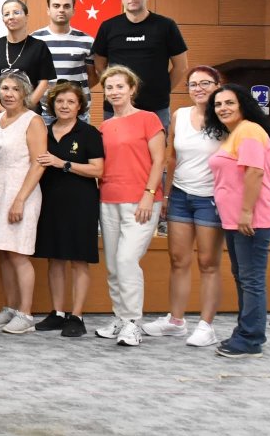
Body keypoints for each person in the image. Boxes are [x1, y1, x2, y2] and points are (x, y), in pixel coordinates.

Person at [152, 65, 229, 347]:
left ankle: (206, 326)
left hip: (211, 198)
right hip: (181, 196)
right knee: (178, 260)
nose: (198, 89)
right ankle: (176, 321)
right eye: (193, 84)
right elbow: (172, 157)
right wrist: (167, 195)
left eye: (205, 83)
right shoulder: (180, 115)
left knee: (208, 263)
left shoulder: (226, 117)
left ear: (218, 85)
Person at [95, 65, 167, 348]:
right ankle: (119, 317)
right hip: (109, 200)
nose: (114, 92)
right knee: (114, 265)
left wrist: (149, 194)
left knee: (127, 260)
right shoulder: (104, 126)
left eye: (120, 86)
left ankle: (132, 322)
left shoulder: (149, 119)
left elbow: (159, 160)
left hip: (141, 202)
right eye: (109, 87)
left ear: (132, 89)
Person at [206, 83, 270, 360]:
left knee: (251, 281)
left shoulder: (249, 130)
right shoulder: (235, 133)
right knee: (245, 279)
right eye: (218, 104)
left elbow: (254, 173)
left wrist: (246, 212)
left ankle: (251, 339)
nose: (222, 108)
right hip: (235, 221)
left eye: (229, 103)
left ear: (243, 105)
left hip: (252, 220)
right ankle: (245, 332)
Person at [31, 80, 102, 339]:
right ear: (52, 104)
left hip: (81, 202)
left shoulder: (88, 133)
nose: (64, 106)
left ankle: (77, 316)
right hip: (50, 201)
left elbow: (98, 169)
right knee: (55, 258)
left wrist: (64, 164)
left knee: (78, 259)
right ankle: (58, 313)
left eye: (71, 101)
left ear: (79, 106)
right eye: (60, 101)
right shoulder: (44, 131)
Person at [0, 71, 48, 334]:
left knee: (18, 254)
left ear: (25, 93)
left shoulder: (33, 121)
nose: (8, 94)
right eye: (5, 88)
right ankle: (9, 308)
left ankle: (25, 313)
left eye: (15, 89)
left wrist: (20, 199)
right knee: (3, 252)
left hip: (22, 193)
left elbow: (39, 163)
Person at [91, 0, 189, 125]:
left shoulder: (166, 25)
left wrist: (162, 90)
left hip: (156, 108)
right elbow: (99, 64)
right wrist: (114, 88)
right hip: (116, 107)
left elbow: (181, 66)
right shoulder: (108, 27)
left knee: (157, 141)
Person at [0, 0, 55, 118]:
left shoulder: (39, 46)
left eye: (16, 12)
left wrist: (24, 109)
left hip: (28, 113)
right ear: (3, 19)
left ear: (26, 17)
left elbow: (44, 82)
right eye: (6, 14)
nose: (11, 17)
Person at [37, 0, 94, 97]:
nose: (61, 10)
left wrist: (76, 93)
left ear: (73, 11)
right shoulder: (34, 40)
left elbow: (93, 76)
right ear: (48, 10)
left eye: (66, 6)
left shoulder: (87, 41)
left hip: (78, 106)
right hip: (44, 106)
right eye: (56, 6)